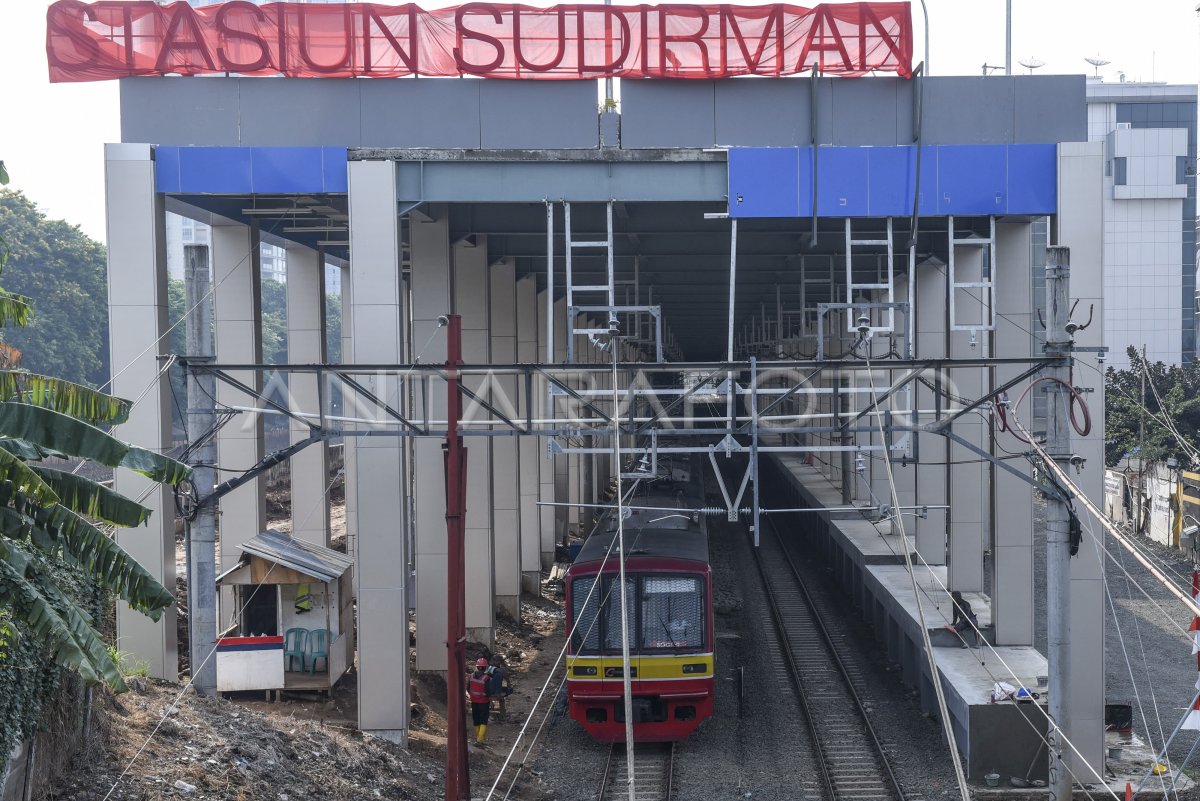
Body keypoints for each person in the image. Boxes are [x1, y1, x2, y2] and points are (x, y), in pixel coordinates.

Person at [468, 658, 492, 746]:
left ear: (477, 667)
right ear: (485, 667)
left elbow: (468, 688)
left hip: (474, 702)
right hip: (484, 702)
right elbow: (489, 691)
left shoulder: (471, 676)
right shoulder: (486, 678)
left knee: (476, 720)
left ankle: (480, 738)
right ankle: (480, 740)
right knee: (483, 720)